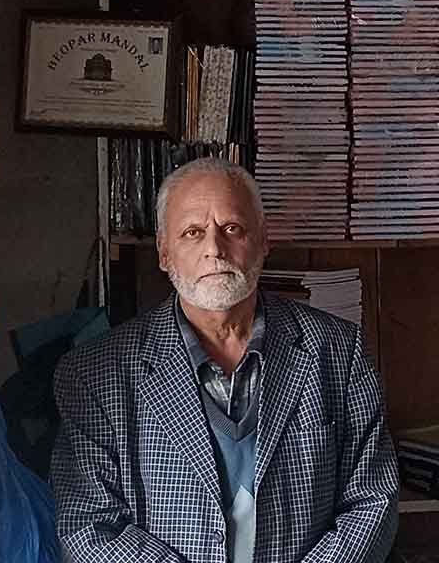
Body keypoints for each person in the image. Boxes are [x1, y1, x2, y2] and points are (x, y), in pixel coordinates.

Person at [51, 157, 398, 563]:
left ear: (263, 241)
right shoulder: (96, 372)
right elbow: (89, 525)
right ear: (164, 253)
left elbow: (374, 499)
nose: (214, 249)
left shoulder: (337, 350)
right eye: (192, 233)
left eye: (231, 229)